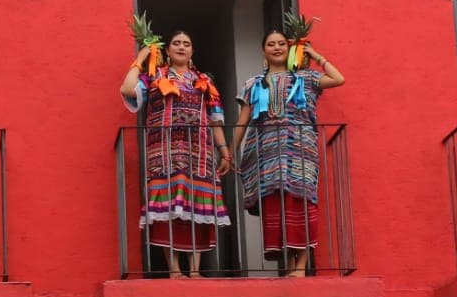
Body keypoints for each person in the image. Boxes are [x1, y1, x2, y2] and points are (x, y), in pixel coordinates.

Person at [232, 29, 345, 277]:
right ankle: (287, 264)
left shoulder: (306, 78)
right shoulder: (253, 84)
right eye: (271, 44)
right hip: (266, 153)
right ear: (264, 50)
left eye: (282, 43)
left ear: (289, 48)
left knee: (301, 201)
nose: (276, 47)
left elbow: (338, 79)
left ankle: (301, 266)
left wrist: (314, 54)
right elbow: (243, 120)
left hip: (300, 150)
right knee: (276, 203)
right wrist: (230, 150)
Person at [121, 30, 232, 277]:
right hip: (164, 155)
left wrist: (224, 152)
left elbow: (215, 121)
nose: (181, 47)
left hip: (199, 155)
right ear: (167, 50)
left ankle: (194, 270)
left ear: (192, 51)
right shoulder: (154, 76)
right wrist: (141, 57)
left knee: (197, 209)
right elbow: (128, 88)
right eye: (176, 43)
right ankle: (174, 270)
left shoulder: (204, 81)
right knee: (169, 209)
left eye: (187, 44)